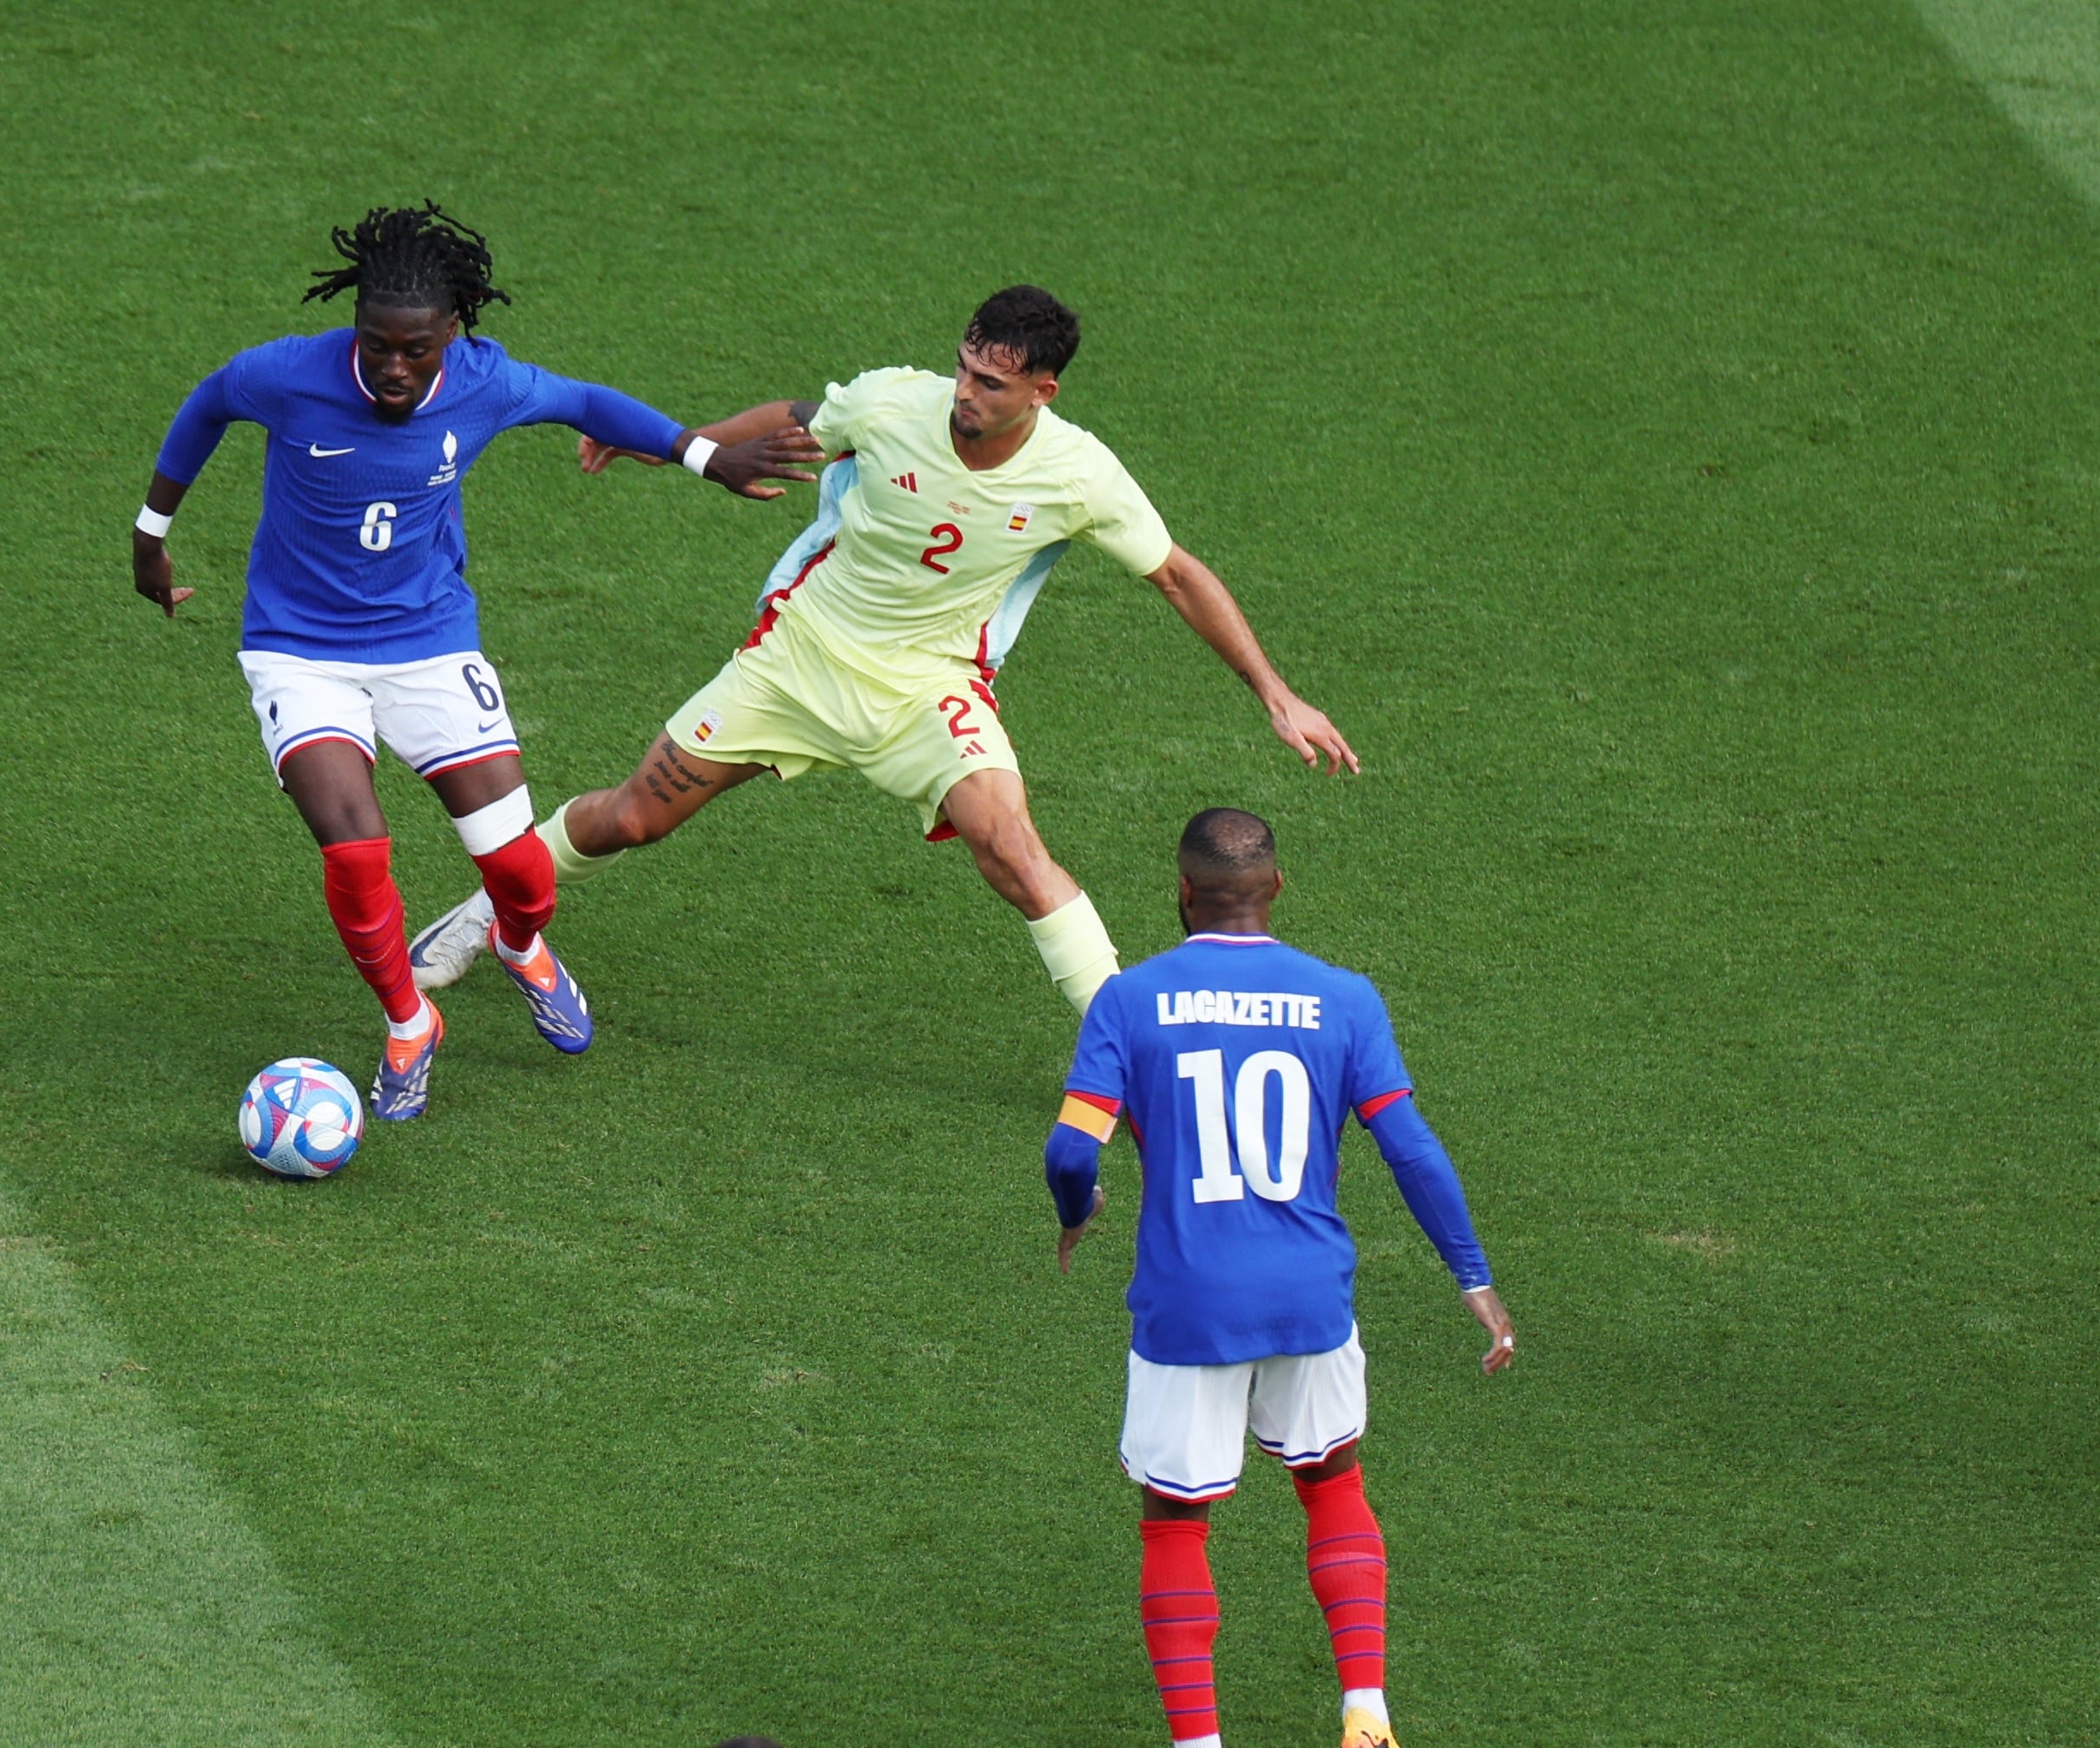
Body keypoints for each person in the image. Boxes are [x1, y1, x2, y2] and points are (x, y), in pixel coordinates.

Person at [405, 285, 1356, 1015]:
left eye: (991, 382)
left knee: (1015, 852)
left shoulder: (1079, 475)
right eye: (964, 369)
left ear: (1042, 389)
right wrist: (679, 444)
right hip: (798, 660)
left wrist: (1275, 693)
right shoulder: (893, 402)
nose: (965, 394)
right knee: (630, 819)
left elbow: (1179, 576)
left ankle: (1123, 1037)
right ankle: (491, 911)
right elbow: (795, 421)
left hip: (928, 691)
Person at [132, 203, 820, 1119]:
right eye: (377, 345)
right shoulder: (287, 374)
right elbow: (208, 402)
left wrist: (706, 455)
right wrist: (152, 535)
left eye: (416, 349)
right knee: (353, 841)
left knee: (519, 870)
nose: (393, 368)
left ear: (452, 333)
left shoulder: (486, 382)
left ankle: (520, 943)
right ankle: (409, 1020)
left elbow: (584, 402)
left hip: (429, 642)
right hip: (299, 651)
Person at [1045, 808, 1514, 1748]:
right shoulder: (1344, 997)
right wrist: (1476, 1280)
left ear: (1183, 893)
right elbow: (1410, 1148)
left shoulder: (1130, 1000)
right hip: (1311, 1298)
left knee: (1175, 1524)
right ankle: (1368, 1716)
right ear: (1277, 888)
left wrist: (1078, 1209)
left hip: (1189, 1305)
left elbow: (1069, 1148)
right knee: (1333, 1481)